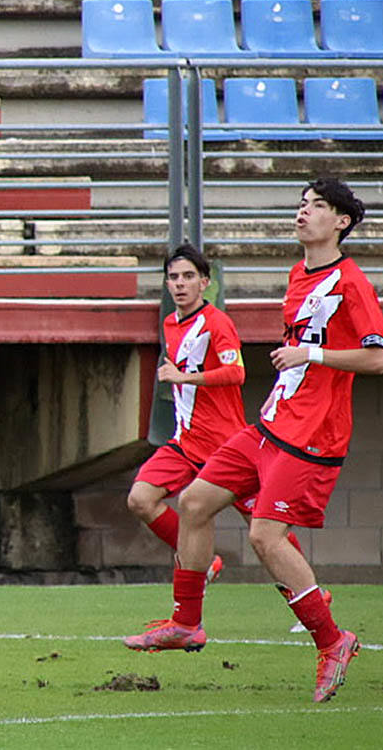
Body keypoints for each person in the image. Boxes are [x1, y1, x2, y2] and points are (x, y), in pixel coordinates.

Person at [123, 177, 383, 705]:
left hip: (310, 437)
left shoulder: (352, 283)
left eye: (315, 206)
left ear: (341, 222)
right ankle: (186, 624)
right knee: (194, 503)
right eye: (301, 204)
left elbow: (377, 359)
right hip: (269, 425)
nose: (302, 212)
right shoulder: (297, 274)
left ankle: (333, 642)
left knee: (264, 538)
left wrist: (311, 356)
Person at [128, 245, 312, 593]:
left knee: (265, 528)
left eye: (188, 277)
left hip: (225, 449)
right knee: (140, 499)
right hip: (185, 443)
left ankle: (307, 593)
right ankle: (205, 561)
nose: (180, 284)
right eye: (173, 278)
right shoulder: (170, 323)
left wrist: (184, 378)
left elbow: (236, 372)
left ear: (205, 283)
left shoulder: (217, 323)